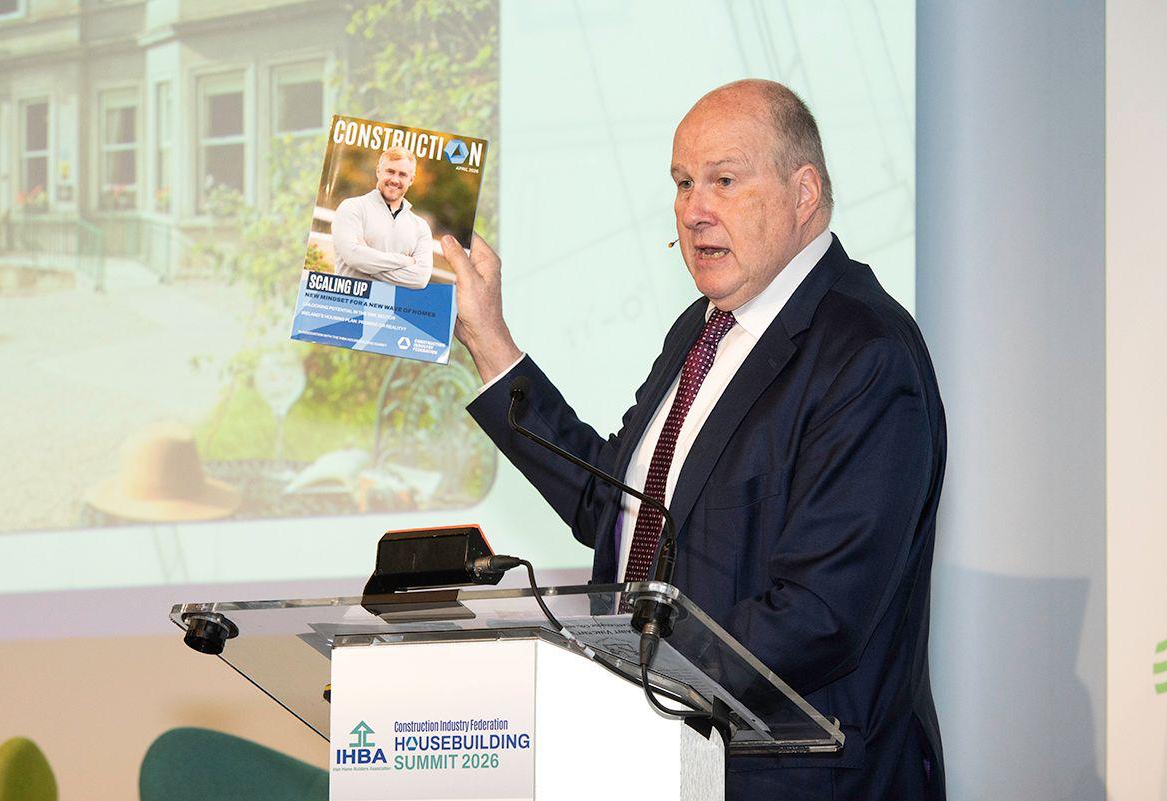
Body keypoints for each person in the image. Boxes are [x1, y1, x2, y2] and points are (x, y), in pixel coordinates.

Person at [441, 79, 946, 801]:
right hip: (665, 764)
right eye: (682, 183)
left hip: (794, 780)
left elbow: (821, 614)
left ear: (803, 193)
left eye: (724, 181)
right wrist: (490, 340)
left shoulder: (864, 352)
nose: (692, 209)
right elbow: (617, 505)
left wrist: (631, 672)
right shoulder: (701, 329)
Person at [331, 145, 433, 289]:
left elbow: (420, 279)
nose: (395, 180)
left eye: (402, 175)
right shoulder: (352, 207)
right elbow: (353, 258)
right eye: (390, 171)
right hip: (349, 300)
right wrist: (405, 261)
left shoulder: (420, 227)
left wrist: (366, 260)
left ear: (411, 180)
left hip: (389, 304)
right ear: (378, 171)